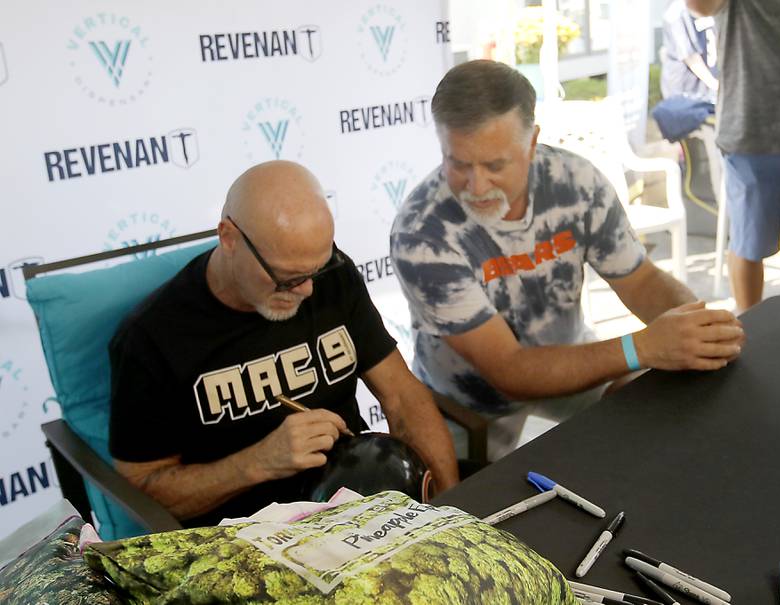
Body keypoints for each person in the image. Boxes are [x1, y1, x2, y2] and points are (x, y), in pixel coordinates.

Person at [390, 60, 745, 460]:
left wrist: (703, 331)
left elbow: (640, 281)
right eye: (457, 163)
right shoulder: (422, 231)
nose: (477, 185)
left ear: (532, 142)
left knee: (669, 422)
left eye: (494, 165)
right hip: (469, 405)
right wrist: (642, 347)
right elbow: (509, 371)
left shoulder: (576, 182)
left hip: (572, 365)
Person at [109, 161, 458, 526]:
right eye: (287, 278)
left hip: (353, 508)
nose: (307, 290)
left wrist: (454, 511)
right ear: (228, 237)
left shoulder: (331, 275)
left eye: (315, 271)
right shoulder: (151, 338)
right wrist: (259, 462)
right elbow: (143, 486)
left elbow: (403, 395)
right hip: (248, 541)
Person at [685, 0, 780, 312]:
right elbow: (698, 4)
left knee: (749, 245)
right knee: (749, 246)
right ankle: (749, 330)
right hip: (752, 139)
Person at [661, 0, 718, 103]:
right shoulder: (676, 11)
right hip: (685, 89)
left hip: (707, 88)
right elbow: (690, 57)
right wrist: (715, 85)